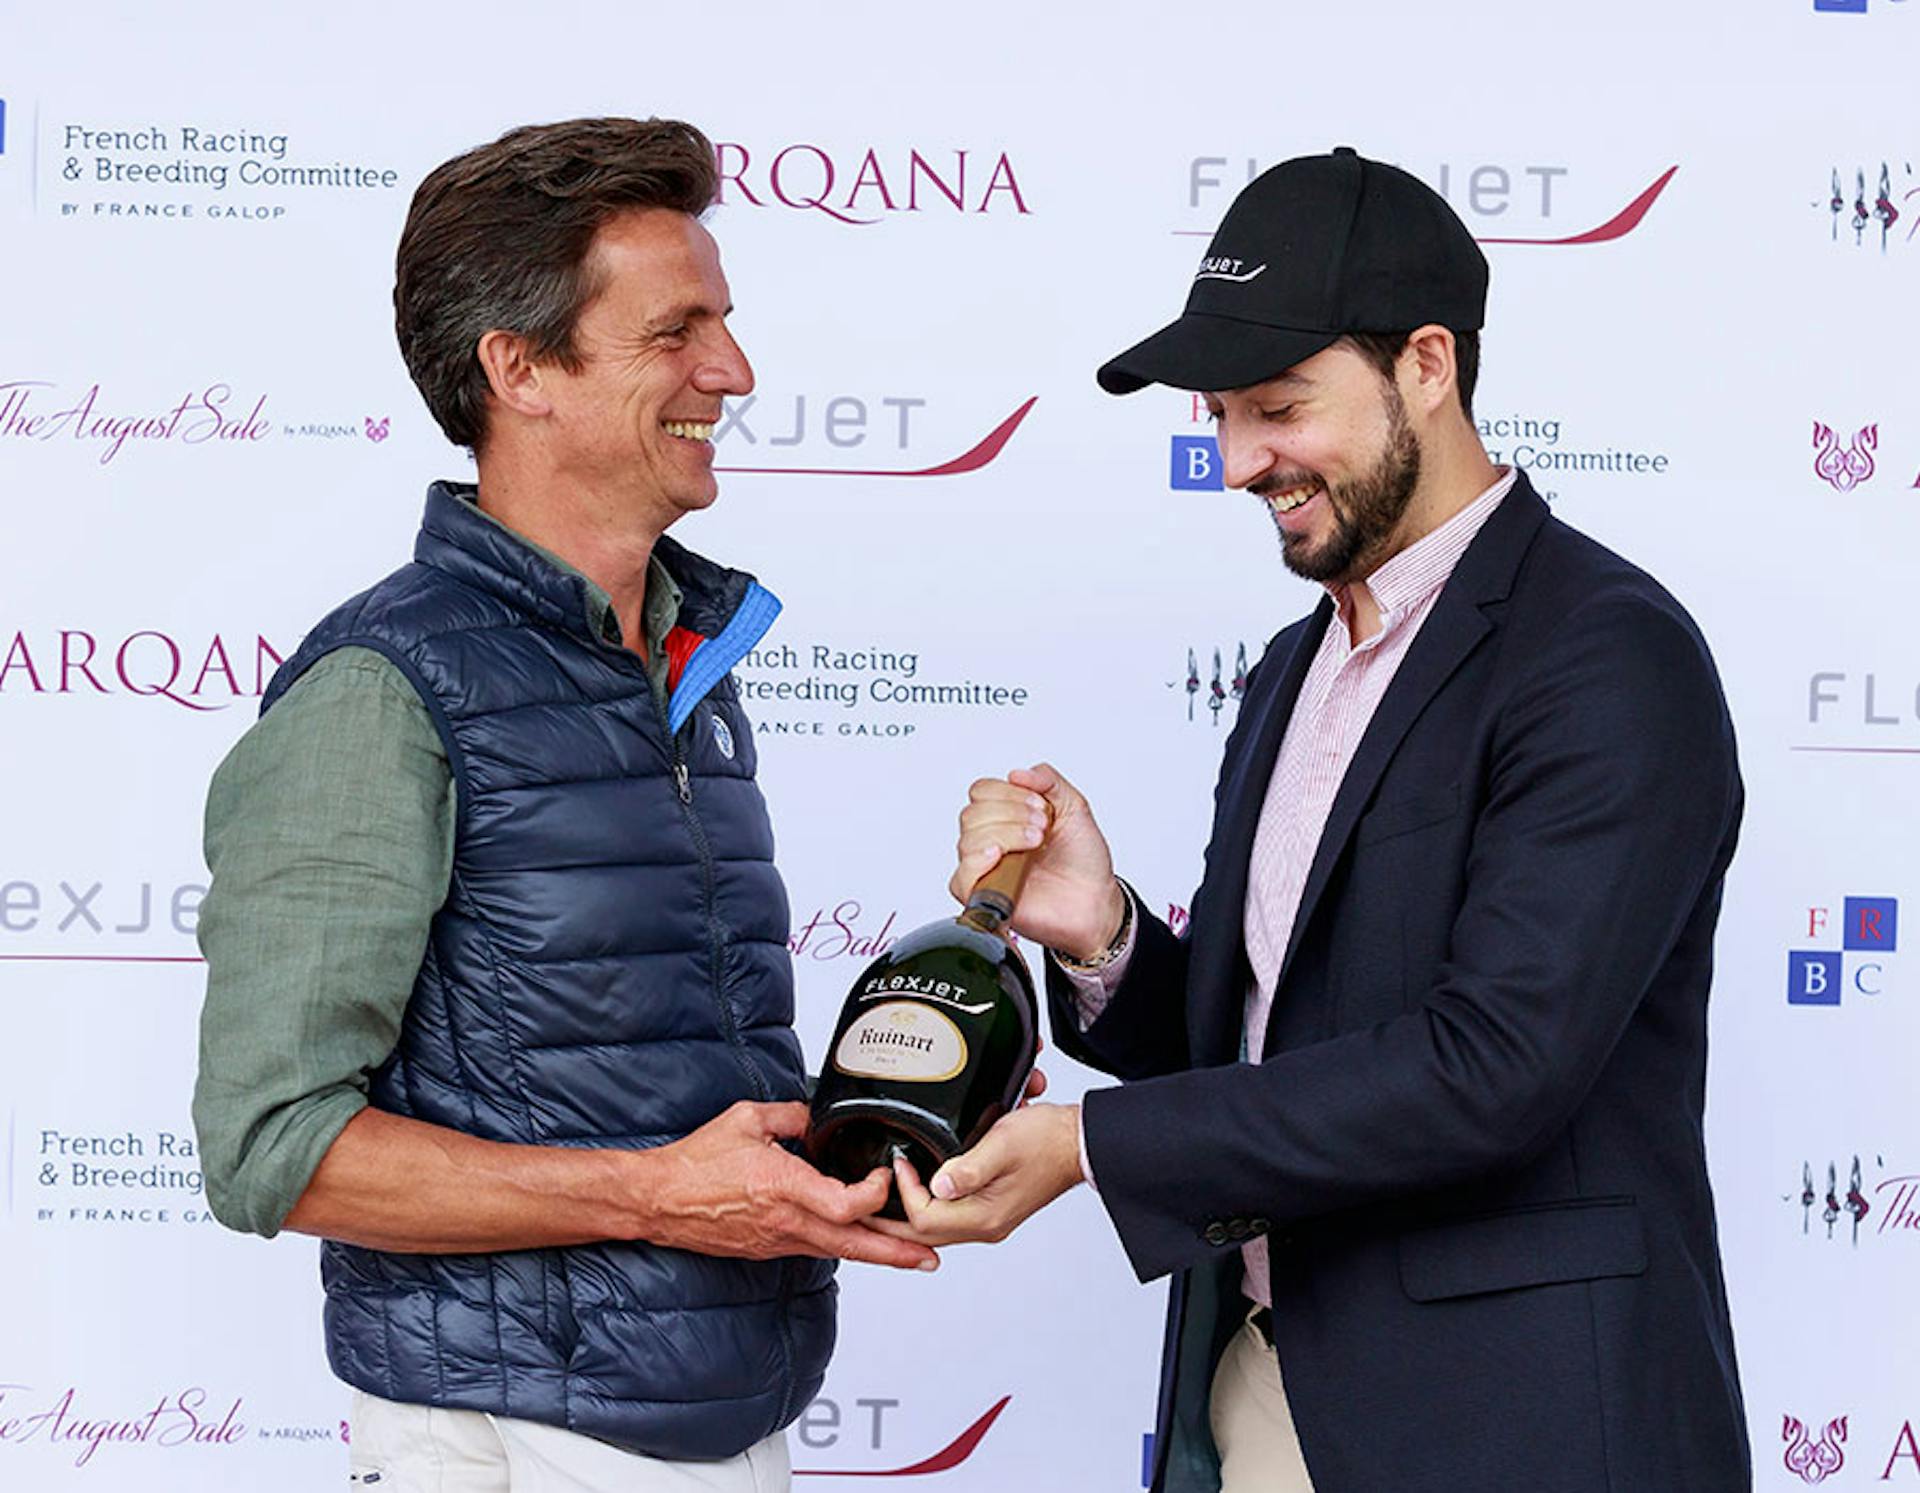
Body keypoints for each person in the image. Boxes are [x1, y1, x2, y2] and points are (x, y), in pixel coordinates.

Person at [880, 148, 1751, 1492]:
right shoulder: (1297, 664)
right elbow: (1283, 1050)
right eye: (1220, 415)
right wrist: (1104, 932)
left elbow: (1492, 1067)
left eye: (1279, 407)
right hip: (1268, 1392)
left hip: (1516, 1430)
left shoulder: (1605, 655)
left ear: (1426, 365)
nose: (1240, 461)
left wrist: (1090, 1150)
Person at [191, 117, 936, 1493]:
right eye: (677, 333)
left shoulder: (684, 654)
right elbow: (271, 1150)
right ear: (518, 368)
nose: (735, 371)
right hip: (514, 1444)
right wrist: (659, 1193)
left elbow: (631, 1056)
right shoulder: (382, 684)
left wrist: (896, 1121)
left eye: (726, 323)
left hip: (727, 1422)